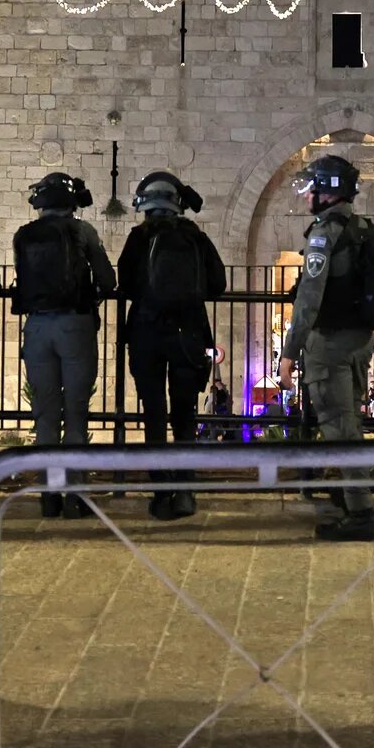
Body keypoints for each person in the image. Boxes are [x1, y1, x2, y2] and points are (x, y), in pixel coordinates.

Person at [274, 153, 374, 542]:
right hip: (359, 342)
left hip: (331, 345)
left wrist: (289, 351)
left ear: (328, 192)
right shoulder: (362, 227)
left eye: (312, 189)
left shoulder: (324, 234)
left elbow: (309, 298)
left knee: (338, 428)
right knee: (350, 421)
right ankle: (354, 494)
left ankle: (361, 514)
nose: (306, 197)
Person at [116, 169, 227, 519]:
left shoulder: (138, 238)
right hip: (188, 334)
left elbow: (127, 285)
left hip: (147, 334)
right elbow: (218, 284)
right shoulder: (196, 238)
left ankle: (160, 492)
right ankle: (185, 491)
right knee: (184, 416)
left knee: (154, 415)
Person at [12, 170, 115, 519]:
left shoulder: (23, 235)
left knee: (44, 412)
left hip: (37, 327)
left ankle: (47, 494)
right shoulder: (82, 232)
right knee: (75, 412)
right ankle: (75, 495)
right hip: (75, 326)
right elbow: (107, 279)